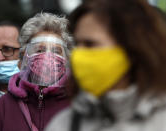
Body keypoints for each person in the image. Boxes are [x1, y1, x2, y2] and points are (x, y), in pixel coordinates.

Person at [45, 0, 166, 131]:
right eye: (76, 45)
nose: (77, 55)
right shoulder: (63, 124)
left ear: (131, 48)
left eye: (90, 44)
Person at [0, 12, 73, 131]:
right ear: (24, 56)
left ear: (66, 59)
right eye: (40, 50)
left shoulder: (80, 106)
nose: (47, 57)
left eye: (56, 51)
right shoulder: (0, 110)